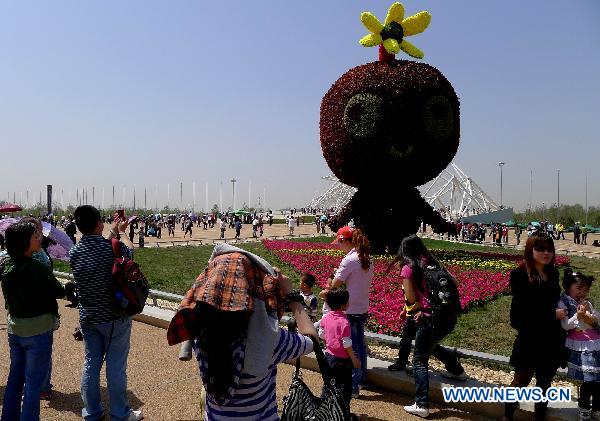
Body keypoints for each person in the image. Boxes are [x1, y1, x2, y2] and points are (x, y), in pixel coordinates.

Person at [167, 246, 317, 420]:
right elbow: (312, 339)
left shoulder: (199, 333)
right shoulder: (271, 340)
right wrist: (293, 298)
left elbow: (216, 307)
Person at [69, 205, 143, 421]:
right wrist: (122, 232)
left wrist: (112, 231)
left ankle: (92, 411)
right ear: (99, 223)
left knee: (91, 362)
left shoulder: (74, 253)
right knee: (115, 366)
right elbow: (131, 253)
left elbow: (97, 245)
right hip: (114, 317)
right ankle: (120, 413)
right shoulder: (114, 247)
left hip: (88, 317)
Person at [386, 235, 467, 418]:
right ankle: (457, 371)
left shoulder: (408, 268)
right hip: (447, 317)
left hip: (428, 318)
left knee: (420, 360)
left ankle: (421, 403)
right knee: (429, 344)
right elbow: (456, 283)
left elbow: (411, 299)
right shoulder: (433, 263)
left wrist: (415, 305)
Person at [0, 219, 65, 421]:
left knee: (15, 378)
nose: (40, 238)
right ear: (24, 242)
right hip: (38, 330)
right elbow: (58, 291)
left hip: (15, 329)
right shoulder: (37, 267)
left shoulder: (6, 265)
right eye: (35, 236)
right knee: (33, 383)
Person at [501, 233, 567, 421]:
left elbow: (555, 301)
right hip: (530, 338)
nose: (547, 253)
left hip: (551, 339)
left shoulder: (553, 273)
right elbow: (519, 314)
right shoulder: (520, 274)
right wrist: (550, 314)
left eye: (550, 249)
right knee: (521, 379)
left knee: (545, 383)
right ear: (530, 250)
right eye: (540, 249)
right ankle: (507, 416)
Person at [321, 226, 373, 397]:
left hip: (349, 309)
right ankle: (361, 378)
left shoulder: (350, 260)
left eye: (339, 243)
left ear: (345, 241)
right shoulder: (367, 257)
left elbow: (335, 284)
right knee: (359, 344)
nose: (338, 246)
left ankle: (353, 386)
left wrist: (325, 292)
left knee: (351, 348)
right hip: (362, 307)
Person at [557, 269, 599, 420]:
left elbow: (596, 318)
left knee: (597, 379)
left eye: (585, 290)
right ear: (568, 288)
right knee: (589, 379)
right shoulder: (564, 301)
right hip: (581, 346)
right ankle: (584, 408)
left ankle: (597, 407)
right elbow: (566, 325)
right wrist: (578, 315)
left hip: (596, 344)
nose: (583, 293)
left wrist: (589, 315)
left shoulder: (588, 302)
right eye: (579, 289)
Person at [318, 288, 361, 414]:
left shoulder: (326, 317)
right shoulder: (344, 322)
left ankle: (323, 409)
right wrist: (354, 360)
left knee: (328, 383)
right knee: (344, 387)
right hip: (342, 361)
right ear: (343, 304)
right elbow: (347, 344)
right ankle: (342, 412)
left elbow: (322, 334)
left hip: (329, 356)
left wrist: (328, 346)